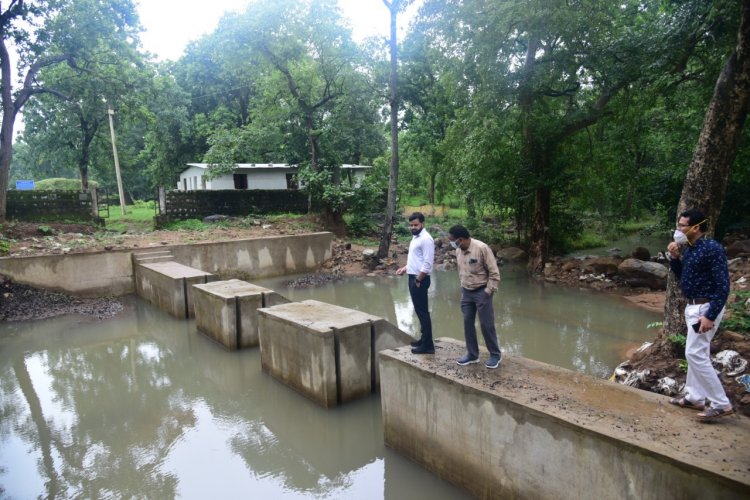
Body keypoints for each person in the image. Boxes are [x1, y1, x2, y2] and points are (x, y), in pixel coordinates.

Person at [666, 209, 733, 422]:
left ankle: (721, 404)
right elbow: (683, 277)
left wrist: (710, 315)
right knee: (698, 352)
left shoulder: (712, 248)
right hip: (693, 306)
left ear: (696, 227)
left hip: (706, 308)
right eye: (678, 225)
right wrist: (675, 258)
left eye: (682, 226)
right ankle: (695, 397)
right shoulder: (690, 249)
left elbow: (723, 286)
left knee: (694, 353)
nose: (678, 230)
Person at [448, 224, 502, 369]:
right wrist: (463, 290)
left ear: (461, 239)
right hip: (466, 292)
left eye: (454, 241)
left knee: (486, 324)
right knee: (467, 323)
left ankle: (495, 354)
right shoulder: (459, 251)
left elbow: (494, 273)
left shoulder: (482, 248)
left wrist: (487, 292)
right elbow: (461, 271)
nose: (453, 244)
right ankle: (472, 354)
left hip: (482, 291)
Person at [396, 212, 435, 354]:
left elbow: (427, 264)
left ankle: (428, 346)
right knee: (419, 311)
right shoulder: (415, 237)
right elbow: (416, 259)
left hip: (420, 279)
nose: (413, 227)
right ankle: (424, 340)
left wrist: (418, 280)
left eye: (416, 225)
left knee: (423, 312)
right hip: (413, 277)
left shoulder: (426, 239)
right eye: (411, 225)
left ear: (422, 224)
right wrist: (405, 268)